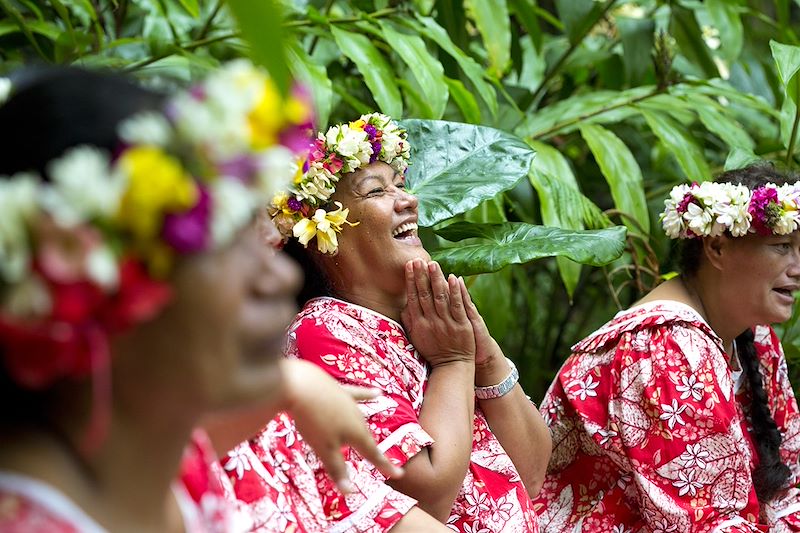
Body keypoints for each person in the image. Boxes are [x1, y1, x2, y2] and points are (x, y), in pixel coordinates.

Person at [0, 63, 443, 532]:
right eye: (223, 237)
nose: (280, 277)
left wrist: (290, 385)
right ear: (88, 286)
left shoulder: (175, 459)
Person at [230, 113, 551, 532]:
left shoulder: (427, 326)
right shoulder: (324, 332)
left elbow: (531, 476)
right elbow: (428, 494)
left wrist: (486, 358)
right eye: (377, 191)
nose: (408, 200)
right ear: (327, 237)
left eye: (400, 184)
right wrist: (455, 362)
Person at [533, 164, 800, 532]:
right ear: (717, 246)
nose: (797, 266)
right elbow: (705, 523)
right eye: (783, 246)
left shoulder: (755, 337)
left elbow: (790, 486)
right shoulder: (664, 346)